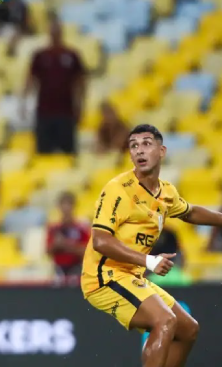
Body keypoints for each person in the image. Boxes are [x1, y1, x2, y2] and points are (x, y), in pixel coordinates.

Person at [78, 123, 222, 367]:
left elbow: (190, 212)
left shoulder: (166, 193)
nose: (139, 151)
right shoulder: (117, 189)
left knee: (188, 329)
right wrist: (149, 261)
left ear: (162, 151)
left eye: (146, 144)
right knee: (165, 320)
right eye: (134, 146)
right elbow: (101, 241)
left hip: (131, 275)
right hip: (103, 277)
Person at [21, 19, 86, 154]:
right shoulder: (40, 55)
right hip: (45, 113)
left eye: (57, 31)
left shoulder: (71, 55)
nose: (55, 34)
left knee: (68, 153)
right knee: (43, 153)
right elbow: (30, 79)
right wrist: (24, 102)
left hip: (66, 112)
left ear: (61, 33)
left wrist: (80, 106)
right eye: (52, 31)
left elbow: (80, 83)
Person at [46, 191, 88, 286]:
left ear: (74, 206)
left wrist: (65, 244)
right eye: (63, 204)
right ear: (59, 207)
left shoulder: (81, 228)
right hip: (58, 269)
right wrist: (56, 245)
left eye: (69, 204)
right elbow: (48, 251)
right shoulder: (53, 228)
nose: (66, 208)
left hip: (77, 268)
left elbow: (86, 252)